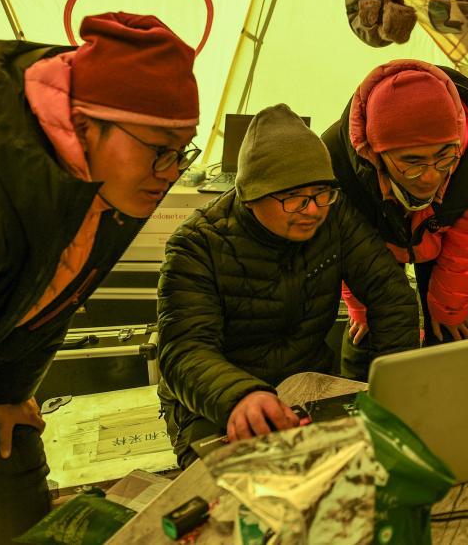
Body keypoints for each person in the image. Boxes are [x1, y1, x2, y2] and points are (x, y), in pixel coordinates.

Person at [0, 12, 201, 544]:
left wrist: (9, 391)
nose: (171, 172)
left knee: (12, 454)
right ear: (83, 123)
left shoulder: (122, 180)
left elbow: (62, 292)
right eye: (160, 149)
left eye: (182, 150)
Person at [156, 103, 419, 467]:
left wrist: (393, 389)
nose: (313, 210)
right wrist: (241, 397)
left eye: (322, 193)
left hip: (307, 383)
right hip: (218, 403)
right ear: (251, 195)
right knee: (240, 491)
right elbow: (184, 349)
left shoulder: (335, 216)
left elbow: (391, 295)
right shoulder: (197, 245)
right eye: (295, 198)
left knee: (358, 476)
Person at [322, 60, 468, 348]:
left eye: (443, 157)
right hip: (376, 241)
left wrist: (448, 308)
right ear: (375, 153)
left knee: (447, 336)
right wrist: (360, 306)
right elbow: (345, 249)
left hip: (443, 240)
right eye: (412, 162)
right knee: (368, 334)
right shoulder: (338, 163)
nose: (430, 177)